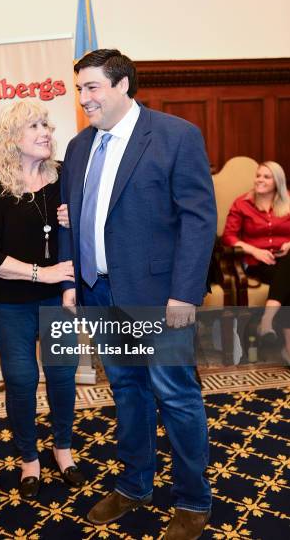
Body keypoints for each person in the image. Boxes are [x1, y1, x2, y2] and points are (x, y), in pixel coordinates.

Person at [59, 49, 217, 539]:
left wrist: (184, 294)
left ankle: (193, 500)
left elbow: (198, 219)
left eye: (92, 88)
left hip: (158, 296)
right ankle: (134, 485)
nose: (84, 98)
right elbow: (72, 216)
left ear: (123, 85)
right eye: (80, 88)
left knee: (176, 396)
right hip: (99, 292)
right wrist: (70, 281)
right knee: (126, 391)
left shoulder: (175, 136)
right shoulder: (80, 146)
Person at [0, 100, 84, 499]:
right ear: (12, 136)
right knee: (21, 380)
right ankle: (29, 457)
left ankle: (63, 449)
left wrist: (67, 284)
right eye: (34, 125)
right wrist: (42, 273)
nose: (46, 132)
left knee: (63, 375)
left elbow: (73, 236)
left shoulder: (61, 176)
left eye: (47, 125)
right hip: (9, 301)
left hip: (57, 298)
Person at [222, 161, 290, 364]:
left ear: (277, 182)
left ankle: (267, 322)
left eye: (266, 177)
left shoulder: (288, 202)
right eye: (258, 175)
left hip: (282, 261)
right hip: (256, 264)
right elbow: (228, 237)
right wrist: (255, 251)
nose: (260, 179)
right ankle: (286, 346)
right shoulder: (242, 203)